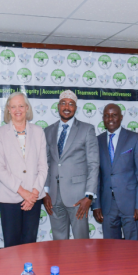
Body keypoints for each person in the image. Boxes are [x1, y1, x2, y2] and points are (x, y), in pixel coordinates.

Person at [0, 92, 48, 247]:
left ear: (27, 108)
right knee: (11, 246)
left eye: (21, 106)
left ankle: (28, 273)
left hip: (34, 198)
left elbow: (43, 166)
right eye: (13, 106)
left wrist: (34, 193)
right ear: (8, 109)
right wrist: (23, 192)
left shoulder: (38, 132)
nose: (18, 109)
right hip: (9, 198)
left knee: (30, 245)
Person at [42, 90, 99, 240]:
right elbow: (46, 163)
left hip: (78, 197)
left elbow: (93, 164)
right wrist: (45, 191)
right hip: (54, 197)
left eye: (71, 104)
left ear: (76, 107)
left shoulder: (87, 129)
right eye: (63, 103)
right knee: (59, 242)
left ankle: (82, 265)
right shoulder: (48, 131)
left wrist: (89, 196)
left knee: (81, 242)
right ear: (58, 106)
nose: (67, 107)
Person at [92, 104, 138, 240]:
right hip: (107, 205)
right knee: (110, 250)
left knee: (134, 249)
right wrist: (96, 205)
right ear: (103, 118)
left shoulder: (135, 138)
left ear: (121, 117)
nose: (110, 118)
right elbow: (95, 176)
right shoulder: (97, 141)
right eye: (106, 115)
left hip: (131, 205)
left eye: (114, 115)